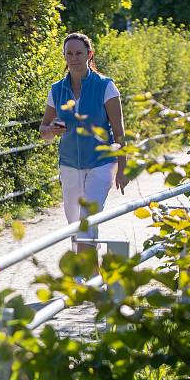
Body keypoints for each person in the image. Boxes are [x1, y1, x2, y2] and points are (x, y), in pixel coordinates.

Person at [39, 32, 128, 259]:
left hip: (102, 163)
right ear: (64, 56)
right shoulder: (56, 89)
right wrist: (51, 131)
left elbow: (119, 132)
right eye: (69, 53)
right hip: (69, 164)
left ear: (89, 54)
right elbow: (43, 131)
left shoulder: (106, 86)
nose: (74, 58)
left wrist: (123, 169)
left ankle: (83, 277)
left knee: (87, 218)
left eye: (79, 53)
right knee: (74, 221)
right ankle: (89, 265)